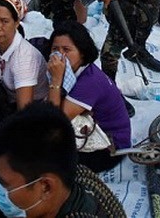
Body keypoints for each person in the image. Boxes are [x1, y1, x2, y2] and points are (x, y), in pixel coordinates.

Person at [47, 21, 131, 173]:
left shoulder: (90, 82)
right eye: (55, 49)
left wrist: (55, 80)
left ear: (82, 52)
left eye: (66, 50)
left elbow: (55, 123)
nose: (59, 55)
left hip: (108, 148)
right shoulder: (77, 72)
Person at [0, 0, 49, 111]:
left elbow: (24, 111)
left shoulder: (24, 59)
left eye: (4, 21)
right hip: (9, 97)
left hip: (34, 107)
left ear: (16, 23)